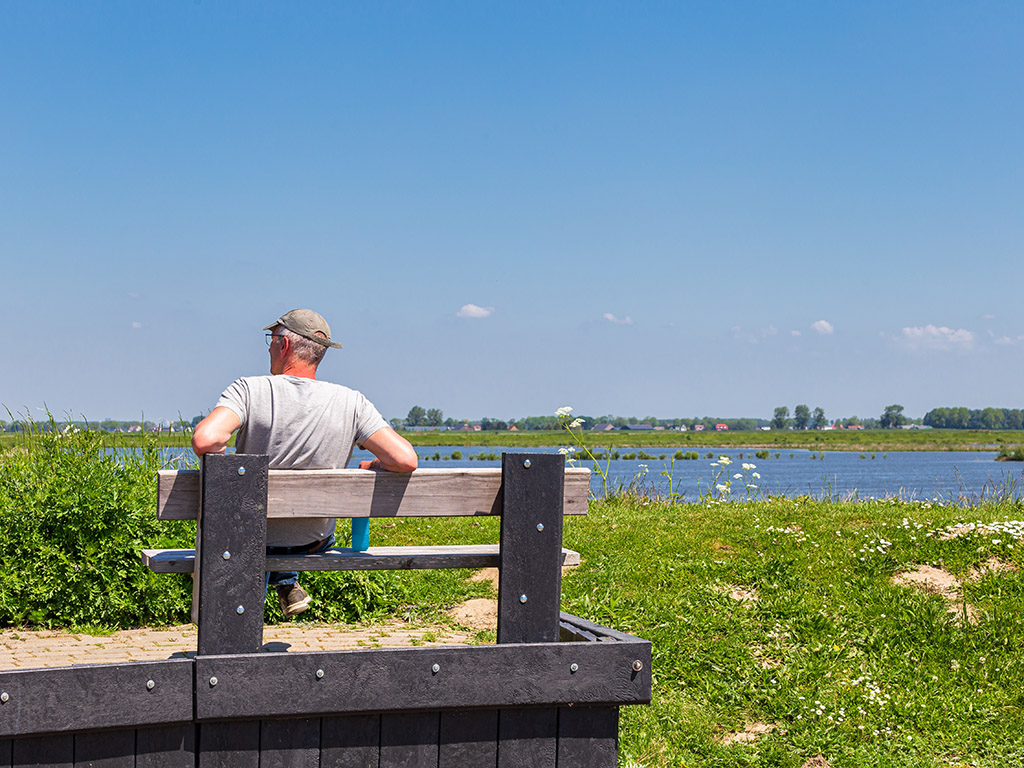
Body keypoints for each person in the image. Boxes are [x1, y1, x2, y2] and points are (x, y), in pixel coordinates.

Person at [191, 308, 418, 617]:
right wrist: (372, 466)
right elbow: (405, 459)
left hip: (248, 538)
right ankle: (287, 582)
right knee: (280, 531)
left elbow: (206, 441)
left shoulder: (249, 390)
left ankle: (251, 605)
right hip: (312, 541)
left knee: (247, 530)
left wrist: (234, 470)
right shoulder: (352, 402)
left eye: (271, 339)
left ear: (284, 345)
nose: (269, 346)